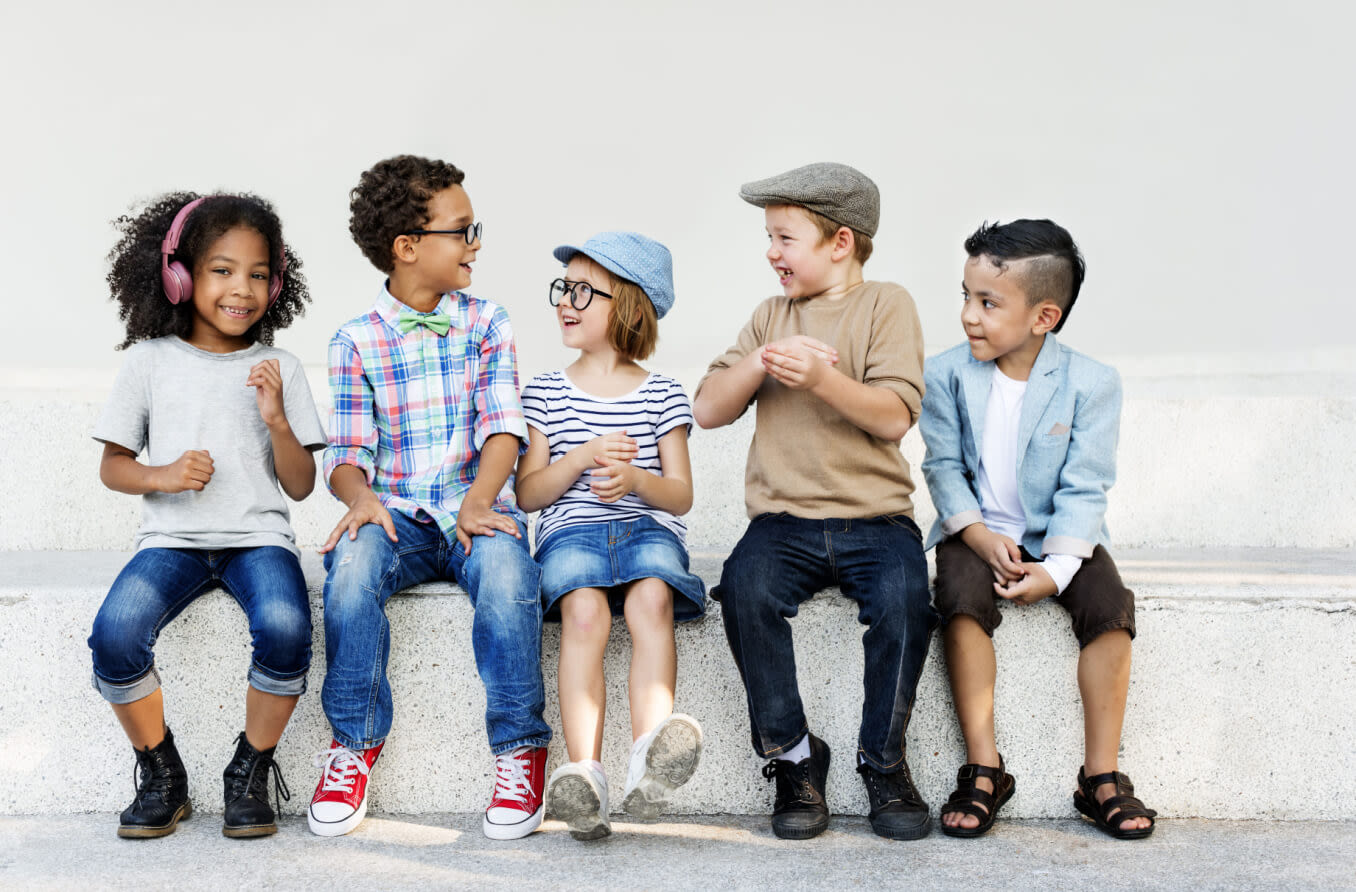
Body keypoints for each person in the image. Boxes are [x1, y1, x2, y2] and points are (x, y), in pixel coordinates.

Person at [307, 155, 550, 841]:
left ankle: (519, 751)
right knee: (350, 572)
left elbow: (504, 425)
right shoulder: (354, 340)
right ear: (408, 248)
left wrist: (479, 499)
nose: (477, 244)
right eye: (463, 231)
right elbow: (348, 455)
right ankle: (352, 746)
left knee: (507, 579)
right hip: (399, 514)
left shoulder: (487, 323)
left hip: (476, 505)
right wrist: (358, 500)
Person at [693, 163, 934, 841]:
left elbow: (891, 416)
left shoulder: (888, 304)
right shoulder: (773, 316)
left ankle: (883, 762)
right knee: (743, 588)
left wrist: (822, 378)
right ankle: (795, 758)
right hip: (783, 523)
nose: (772, 252)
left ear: (841, 242)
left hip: (874, 520)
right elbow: (708, 409)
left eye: (784, 237)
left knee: (905, 601)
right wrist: (762, 360)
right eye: (770, 237)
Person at [89, 192, 323, 839]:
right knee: (114, 636)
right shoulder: (147, 362)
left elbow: (301, 485)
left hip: (259, 538)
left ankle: (250, 770)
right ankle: (162, 772)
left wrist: (277, 421)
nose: (240, 289)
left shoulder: (282, 368)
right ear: (179, 274)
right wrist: (161, 475)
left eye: (257, 273)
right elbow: (113, 466)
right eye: (221, 270)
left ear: (276, 284)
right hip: (172, 538)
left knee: (285, 627)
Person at [920, 219, 1157, 840]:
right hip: (977, 531)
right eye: (966, 296)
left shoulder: (1091, 383)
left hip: (1060, 534)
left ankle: (1101, 775)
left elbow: (1086, 486)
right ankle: (984, 766)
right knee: (961, 601)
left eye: (988, 302)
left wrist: (1055, 571)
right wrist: (972, 534)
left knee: (1110, 608)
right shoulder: (946, 373)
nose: (969, 315)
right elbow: (942, 465)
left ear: (1043, 316)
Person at [517, 232, 705, 840]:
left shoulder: (662, 393)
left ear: (625, 305)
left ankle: (651, 758)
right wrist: (580, 459)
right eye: (562, 289)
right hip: (572, 536)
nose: (564, 302)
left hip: (648, 528)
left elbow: (680, 494)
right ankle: (587, 775)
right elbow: (529, 494)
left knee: (652, 598)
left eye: (581, 291)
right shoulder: (545, 391)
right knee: (584, 614)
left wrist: (635, 479)